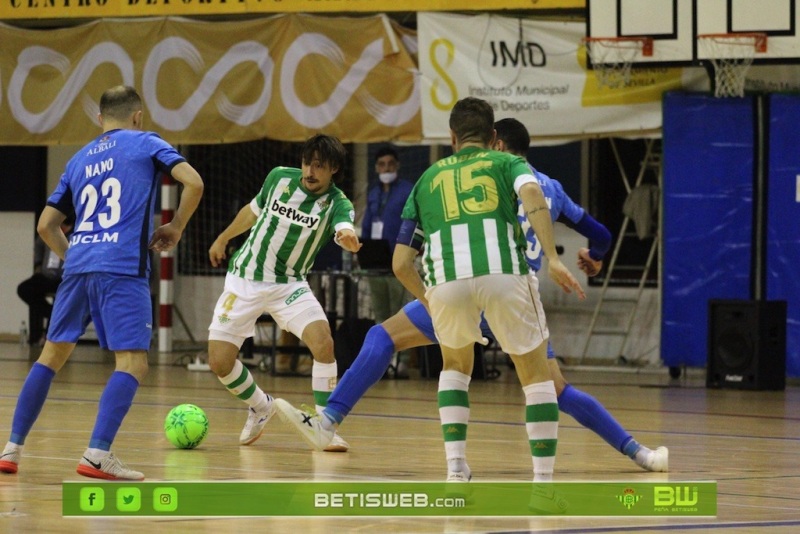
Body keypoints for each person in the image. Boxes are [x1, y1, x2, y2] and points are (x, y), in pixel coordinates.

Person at [276, 118, 668, 474]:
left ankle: (334, 423)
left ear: (495, 145)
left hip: (470, 288)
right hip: (514, 298)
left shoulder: (483, 174)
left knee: (391, 340)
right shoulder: (553, 188)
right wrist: (592, 258)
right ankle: (638, 453)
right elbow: (601, 234)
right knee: (554, 389)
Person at [0, 85, 204, 480]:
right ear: (137, 116)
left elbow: (47, 225)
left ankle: (11, 449)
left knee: (51, 356)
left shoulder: (78, 159)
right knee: (132, 362)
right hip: (122, 266)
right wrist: (177, 225)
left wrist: (75, 256)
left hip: (77, 267)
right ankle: (97, 454)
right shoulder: (146, 142)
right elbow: (193, 182)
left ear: (100, 119)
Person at [207, 134, 361, 453]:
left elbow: (345, 225)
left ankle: (325, 426)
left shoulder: (337, 203)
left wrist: (347, 235)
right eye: (307, 162)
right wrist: (222, 238)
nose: (310, 171)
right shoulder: (279, 178)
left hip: (289, 285)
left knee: (324, 343)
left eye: (319, 166)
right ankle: (261, 406)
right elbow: (251, 212)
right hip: (244, 280)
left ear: (334, 169)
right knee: (220, 362)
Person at [361, 146, 414, 377]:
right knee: (380, 314)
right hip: (375, 263)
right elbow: (365, 226)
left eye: (390, 164)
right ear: (376, 168)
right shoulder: (373, 193)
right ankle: (382, 362)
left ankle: (401, 362)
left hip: (399, 263)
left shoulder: (406, 191)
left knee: (400, 313)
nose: (386, 169)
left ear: (397, 166)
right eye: (381, 165)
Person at [17, 217, 74, 345]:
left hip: (63, 278)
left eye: (64, 228)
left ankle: (51, 336)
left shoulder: (75, 237)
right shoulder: (50, 232)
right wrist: (38, 265)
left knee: (61, 298)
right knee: (24, 289)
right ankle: (50, 314)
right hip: (45, 274)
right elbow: (38, 244)